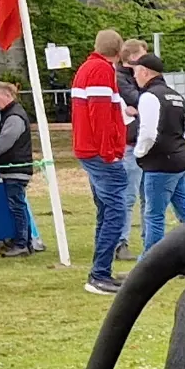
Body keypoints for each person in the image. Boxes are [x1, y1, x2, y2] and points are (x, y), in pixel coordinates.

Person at [70, 29, 131, 294]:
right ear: (119, 52)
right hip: (99, 153)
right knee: (116, 211)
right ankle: (99, 274)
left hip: (90, 150)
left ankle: (101, 270)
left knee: (106, 211)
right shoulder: (101, 71)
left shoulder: (87, 68)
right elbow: (101, 115)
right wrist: (110, 152)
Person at [130, 52, 185, 249]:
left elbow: (149, 133)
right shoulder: (176, 96)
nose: (134, 76)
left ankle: (148, 263)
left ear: (145, 72)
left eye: (136, 71)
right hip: (181, 160)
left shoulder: (149, 97)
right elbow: (184, 132)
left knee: (154, 216)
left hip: (160, 164)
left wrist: (139, 153)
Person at [0, 80, 36, 256]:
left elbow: (6, 140)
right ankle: (24, 241)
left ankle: (22, 243)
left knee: (17, 207)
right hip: (15, 167)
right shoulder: (12, 114)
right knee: (18, 205)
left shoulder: (14, 117)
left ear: (8, 95)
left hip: (16, 167)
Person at [115, 38, 147, 259]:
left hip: (144, 143)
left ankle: (151, 242)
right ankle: (120, 242)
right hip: (131, 144)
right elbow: (141, 100)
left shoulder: (136, 79)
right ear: (133, 58)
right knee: (128, 196)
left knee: (148, 198)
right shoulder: (120, 79)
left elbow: (142, 103)